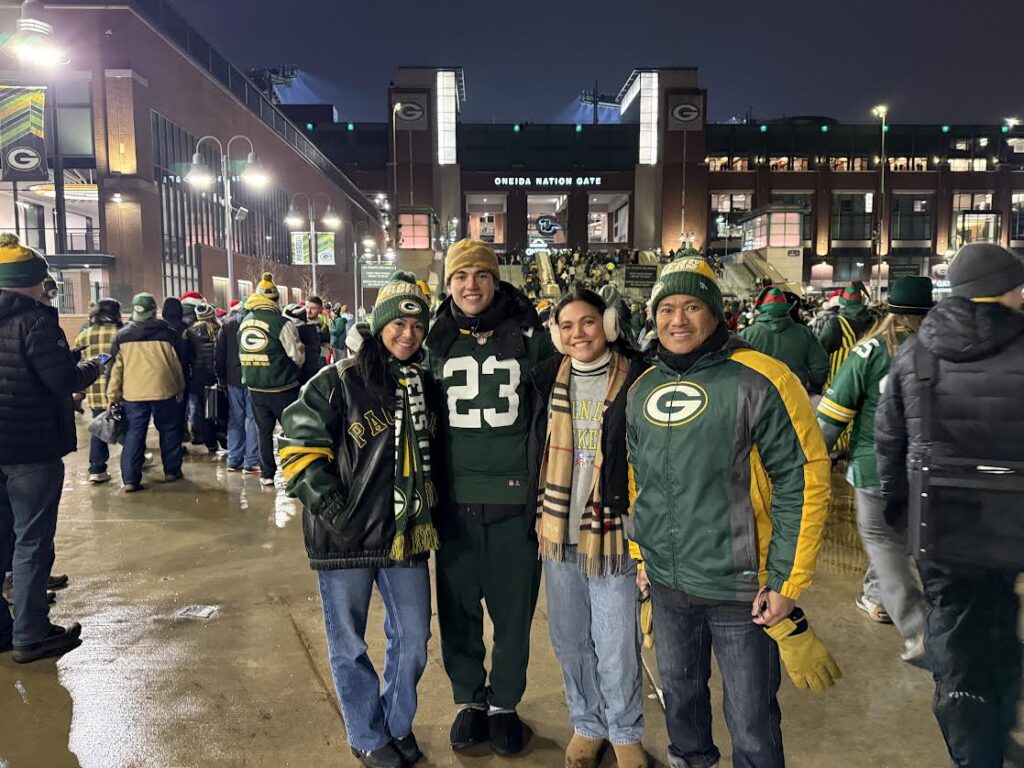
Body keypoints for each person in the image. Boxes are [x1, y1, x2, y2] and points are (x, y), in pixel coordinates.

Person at [627, 258, 834, 768]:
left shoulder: (763, 378)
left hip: (743, 590)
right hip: (669, 586)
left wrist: (786, 581)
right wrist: (641, 556)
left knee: (751, 722)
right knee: (681, 707)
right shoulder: (642, 388)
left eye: (692, 307)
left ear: (716, 313)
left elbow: (804, 481)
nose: (678, 320)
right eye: (667, 309)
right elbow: (638, 481)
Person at [279, 272, 438, 768]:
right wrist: (330, 505)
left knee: (414, 639)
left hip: (404, 534)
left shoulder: (425, 384)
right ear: (380, 324)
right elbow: (295, 441)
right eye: (399, 323)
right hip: (344, 536)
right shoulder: (337, 380)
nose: (408, 333)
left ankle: (396, 724)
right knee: (348, 643)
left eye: (417, 325)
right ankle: (367, 735)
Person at [876, 243, 1024, 767]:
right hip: (1010, 529)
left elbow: (888, 445)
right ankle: (994, 729)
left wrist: (903, 521)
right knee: (998, 620)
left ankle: (975, 748)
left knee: (957, 644)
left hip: (940, 530)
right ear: (1006, 291)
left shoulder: (916, 354)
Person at [424, 239, 555, 756]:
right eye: (460, 276)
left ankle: (503, 703)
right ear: (448, 284)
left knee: (513, 613)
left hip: (513, 500)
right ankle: (470, 700)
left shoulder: (531, 336)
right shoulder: (433, 338)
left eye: (481, 274)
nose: (471, 284)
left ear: (497, 281)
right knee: (457, 612)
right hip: (453, 501)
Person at [528, 288, 649, 768]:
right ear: (557, 334)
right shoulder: (545, 380)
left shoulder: (638, 378)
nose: (579, 333)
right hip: (558, 533)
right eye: (568, 326)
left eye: (589, 322)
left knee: (616, 643)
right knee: (570, 639)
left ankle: (625, 731)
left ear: (609, 324)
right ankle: (588, 723)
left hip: (613, 532)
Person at [816, 276, 933, 660]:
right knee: (920, 543)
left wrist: (811, 461)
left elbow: (831, 419)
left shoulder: (869, 351)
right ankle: (881, 596)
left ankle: (917, 627)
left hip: (875, 468)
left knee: (884, 543)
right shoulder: (946, 349)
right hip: (933, 469)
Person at [0, 233, 101, 662]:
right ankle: (31, 633)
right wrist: (92, 366)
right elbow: (62, 381)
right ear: (30, 282)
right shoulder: (36, 322)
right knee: (31, 541)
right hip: (31, 448)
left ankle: (5, 629)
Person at [107, 293, 187, 492]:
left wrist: (112, 395)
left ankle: (130, 480)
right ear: (154, 311)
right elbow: (178, 364)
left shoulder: (121, 336)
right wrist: (180, 387)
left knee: (134, 433)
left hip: (133, 394)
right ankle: (172, 471)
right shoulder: (169, 333)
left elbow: (115, 370)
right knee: (169, 430)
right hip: (165, 390)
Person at [238, 272, 304, 487]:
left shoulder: (245, 322)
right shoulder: (282, 323)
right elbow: (297, 355)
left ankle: (267, 474)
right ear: (276, 299)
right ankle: (294, 473)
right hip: (282, 387)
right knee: (291, 432)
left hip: (255, 388)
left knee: (263, 433)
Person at [739, 286, 829, 394]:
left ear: (761, 309)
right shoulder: (804, 333)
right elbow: (820, 365)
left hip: (758, 397)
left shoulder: (746, 335)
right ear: (786, 308)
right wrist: (813, 388)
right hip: (795, 396)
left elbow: (736, 371)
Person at [76, 298, 124, 483]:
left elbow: (79, 364)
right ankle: (134, 461)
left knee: (100, 427)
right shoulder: (121, 333)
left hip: (94, 389)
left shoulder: (84, 336)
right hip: (119, 390)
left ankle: (97, 469)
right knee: (129, 427)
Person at [216, 299, 260, 473]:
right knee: (253, 419)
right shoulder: (257, 322)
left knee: (235, 419)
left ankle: (234, 460)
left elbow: (219, 354)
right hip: (254, 377)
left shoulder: (227, 324)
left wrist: (221, 377)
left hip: (233, 378)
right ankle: (252, 461)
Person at [185, 301, 220, 453]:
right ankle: (222, 438)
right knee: (219, 410)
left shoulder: (190, 333)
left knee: (205, 412)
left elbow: (188, 356)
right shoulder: (219, 330)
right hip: (216, 377)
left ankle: (210, 442)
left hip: (199, 378)